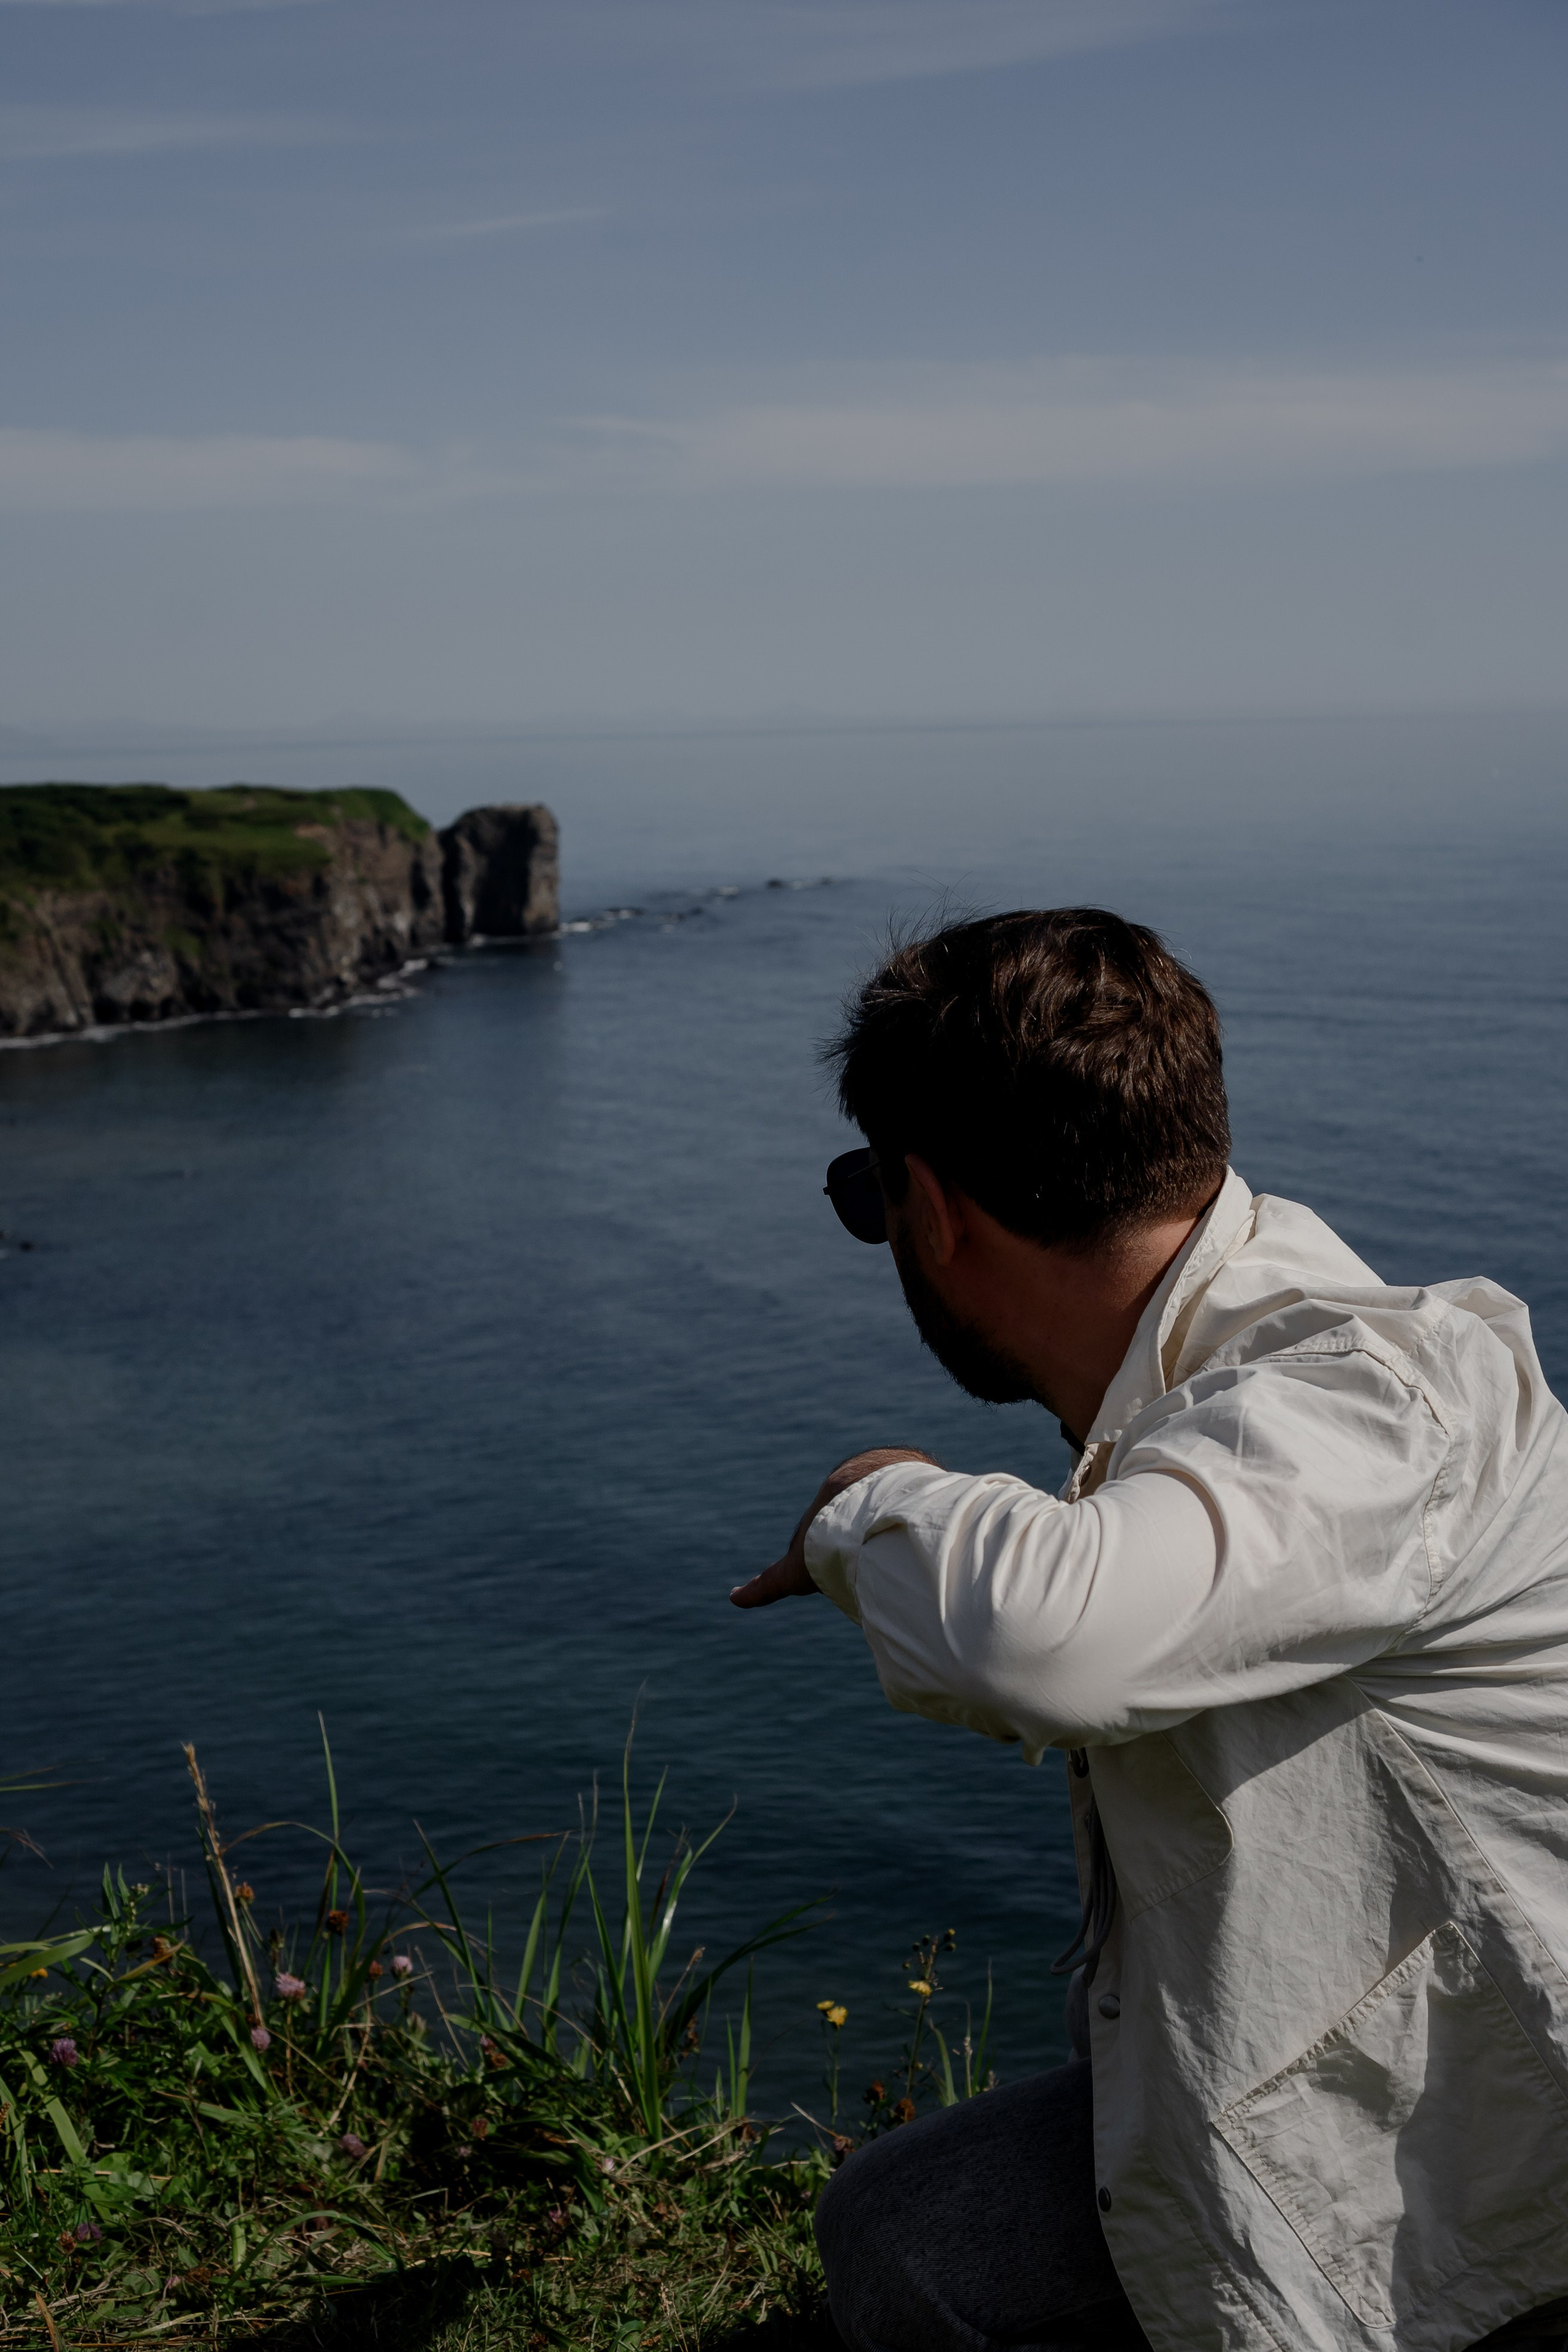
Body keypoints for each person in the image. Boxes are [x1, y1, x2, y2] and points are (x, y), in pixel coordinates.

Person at [730, 908, 1568, 2352]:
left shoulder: (1374, 1406)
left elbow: (1037, 1642)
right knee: (906, 2239)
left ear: (931, 1211)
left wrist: (872, 1502)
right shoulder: (1220, 1392)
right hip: (1396, 2085)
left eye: (866, 1201)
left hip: (1516, 2167)